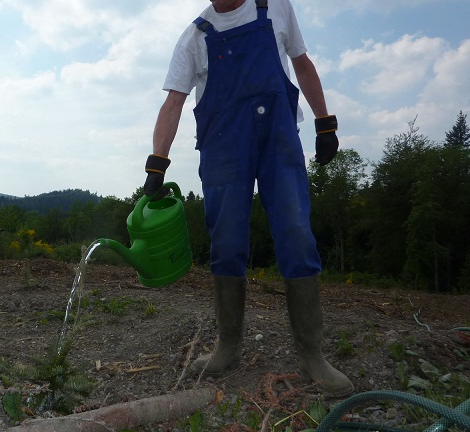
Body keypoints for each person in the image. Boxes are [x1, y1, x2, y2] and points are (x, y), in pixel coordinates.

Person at [142, 0, 353, 397]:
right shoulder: (194, 38)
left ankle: (312, 356)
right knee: (226, 241)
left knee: (296, 233)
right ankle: (228, 346)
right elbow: (173, 102)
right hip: (224, 148)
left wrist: (325, 122)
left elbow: (302, 64)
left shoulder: (275, 8)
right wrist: (157, 163)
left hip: (278, 142)